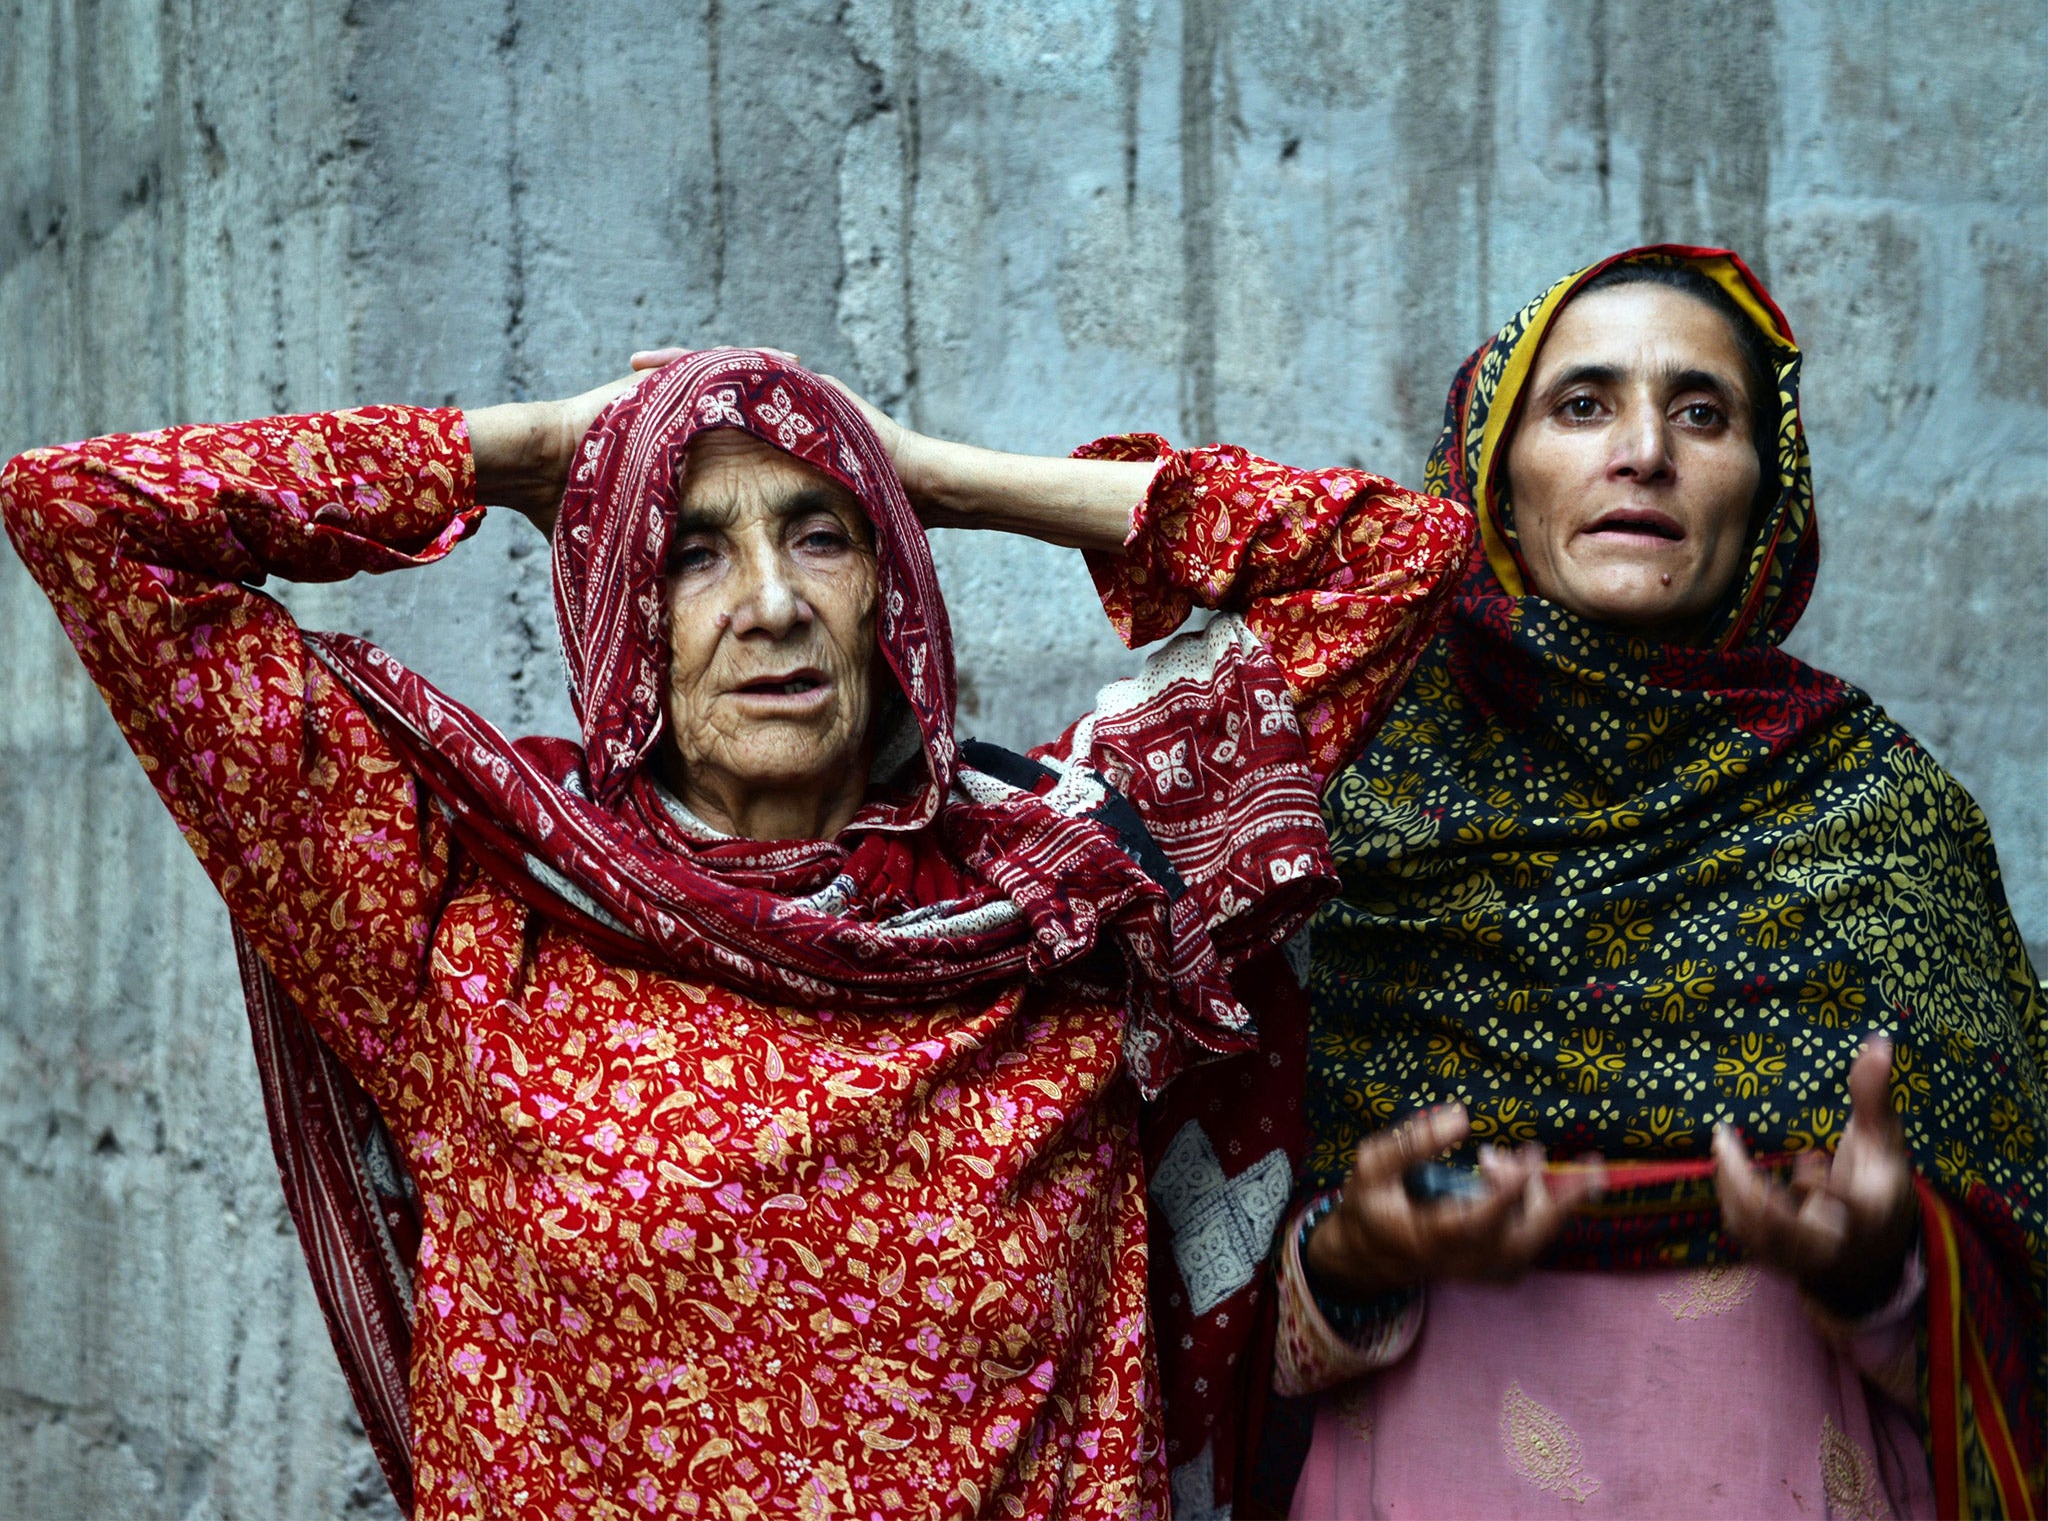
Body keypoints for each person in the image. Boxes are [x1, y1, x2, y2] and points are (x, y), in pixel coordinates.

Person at [0, 348, 1471, 1518]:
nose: (770, 605)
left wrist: (931, 475)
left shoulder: (1071, 892)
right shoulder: (463, 913)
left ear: (891, 590)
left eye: (822, 534)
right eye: (690, 551)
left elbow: (1399, 563)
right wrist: (522, 455)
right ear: (609, 609)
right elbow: (84, 517)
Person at [1267, 246, 2046, 1519]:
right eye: (1581, 406)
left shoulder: (1880, 814)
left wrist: (1882, 1269)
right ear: (1494, 486)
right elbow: (1187, 1299)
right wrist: (1348, 1256)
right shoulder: (1341, 814)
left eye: (1702, 411)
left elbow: (2017, 1312)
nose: (1643, 451)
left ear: (1766, 492)